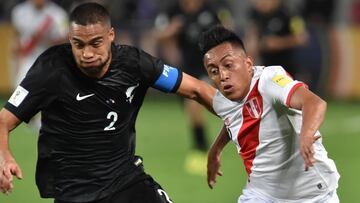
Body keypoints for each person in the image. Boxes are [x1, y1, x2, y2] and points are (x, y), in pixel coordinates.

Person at [0, 3, 216, 203]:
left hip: (125, 182)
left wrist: (239, 114)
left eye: (95, 43)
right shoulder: (50, 69)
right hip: (73, 193)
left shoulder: (135, 63)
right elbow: (4, 120)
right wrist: (4, 157)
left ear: (111, 35)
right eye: (78, 44)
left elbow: (197, 89)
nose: (87, 53)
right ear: (70, 38)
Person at [201, 26, 340, 202]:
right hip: (262, 193)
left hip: (313, 193)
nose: (222, 75)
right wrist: (216, 148)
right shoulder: (226, 98)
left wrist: (306, 133)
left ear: (248, 64)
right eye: (214, 71)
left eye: (228, 65)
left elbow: (315, 103)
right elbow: (235, 119)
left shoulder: (269, 79)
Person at [155, 0, 232, 175]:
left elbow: (228, 33)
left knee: (194, 106)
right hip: (185, 68)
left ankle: (201, 149)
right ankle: (204, 146)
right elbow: (158, 35)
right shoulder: (172, 11)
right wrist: (171, 30)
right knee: (192, 111)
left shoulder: (211, 10)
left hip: (209, 67)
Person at [10, 0, 68, 130]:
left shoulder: (58, 15)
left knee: (48, 90)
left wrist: (46, 37)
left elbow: (64, 40)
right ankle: (16, 119)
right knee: (20, 88)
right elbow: (17, 35)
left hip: (49, 58)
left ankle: (43, 119)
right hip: (28, 57)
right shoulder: (19, 11)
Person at [245, 0, 307, 77]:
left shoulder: (290, 13)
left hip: (287, 68)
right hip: (267, 68)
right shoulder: (256, 13)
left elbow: (302, 38)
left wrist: (278, 43)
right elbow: (252, 35)